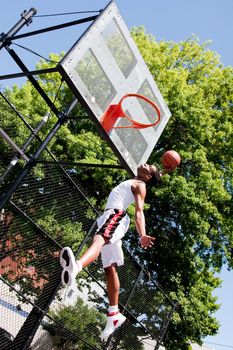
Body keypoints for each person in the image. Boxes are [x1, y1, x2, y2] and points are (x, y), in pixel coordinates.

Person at [60, 164, 162, 341]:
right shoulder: (138, 180)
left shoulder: (141, 185)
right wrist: (161, 171)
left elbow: (139, 212)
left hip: (117, 215)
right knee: (109, 268)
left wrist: (142, 234)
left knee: (99, 240)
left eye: (149, 166)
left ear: (148, 177)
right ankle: (114, 313)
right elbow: (156, 175)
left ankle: (76, 267)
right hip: (111, 216)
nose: (146, 163)